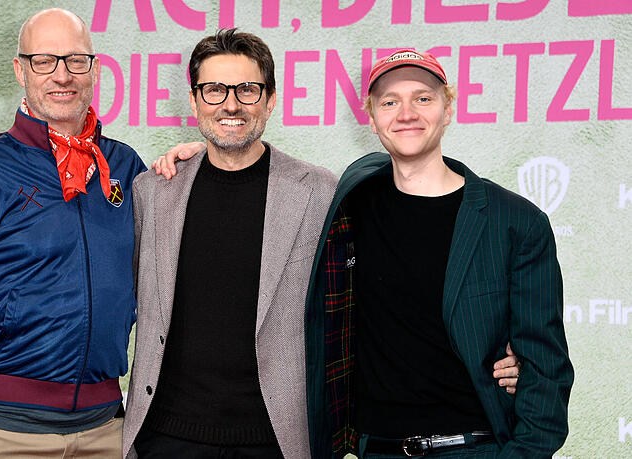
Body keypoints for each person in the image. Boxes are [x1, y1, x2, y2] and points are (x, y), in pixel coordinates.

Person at [125, 34, 520, 458]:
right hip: (165, 438)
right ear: (195, 99)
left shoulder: (321, 193)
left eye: (248, 89)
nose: (231, 105)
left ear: (271, 99)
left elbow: (388, 289)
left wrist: (496, 347)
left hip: (279, 440)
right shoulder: (153, 192)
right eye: (215, 90)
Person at [305, 49, 574, 458]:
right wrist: (196, 156)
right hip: (375, 449)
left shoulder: (516, 222)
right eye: (390, 101)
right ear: (373, 117)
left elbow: (546, 367)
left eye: (423, 98)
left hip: (473, 448)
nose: (406, 112)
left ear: (447, 110)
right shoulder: (350, 204)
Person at [0, 9, 145, 459]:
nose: (62, 75)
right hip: (0, 429)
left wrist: (198, 161)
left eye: (76, 60)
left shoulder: (125, 167)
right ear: (20, 70)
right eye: (44, 60)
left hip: (105, 430)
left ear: (95, 70)